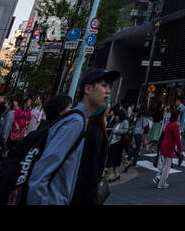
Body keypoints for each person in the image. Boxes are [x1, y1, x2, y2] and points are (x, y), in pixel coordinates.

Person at [26, 68, 118, 205]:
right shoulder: (76, 121)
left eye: (109, 87)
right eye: (104, 85)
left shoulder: (80, 120)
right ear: (88, 89)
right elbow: (41, 172)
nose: (108, 91)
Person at [155, 104, 182, 190]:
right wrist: (180, 151)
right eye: (179, 116)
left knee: (164, 165)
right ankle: (161, 183)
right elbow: (177, 139)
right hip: (169, 146)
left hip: (164, 144)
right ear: (176, 116)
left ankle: (161, 180)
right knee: (167, 166)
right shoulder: (175, 125)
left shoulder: (169, 124)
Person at [106, 106, 129, 182]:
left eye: (116, 116)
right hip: (113, 143)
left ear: (120, 116)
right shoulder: (117, 123)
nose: (115, 117)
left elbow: (125, 130)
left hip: (118, 144)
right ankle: (117, 175)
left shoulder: (125, 122)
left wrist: (116, 131)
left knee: (111, 162)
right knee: (113, 162)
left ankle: (108, 177)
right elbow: (112, 133)